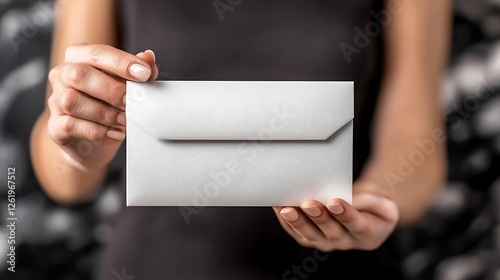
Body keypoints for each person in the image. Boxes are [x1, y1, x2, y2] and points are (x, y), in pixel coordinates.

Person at [30, 0, 451, 278]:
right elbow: (66, 179)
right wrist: (80, 140)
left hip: (342, 257)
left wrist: (374, 199)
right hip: (158, 264)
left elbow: (415, 142)